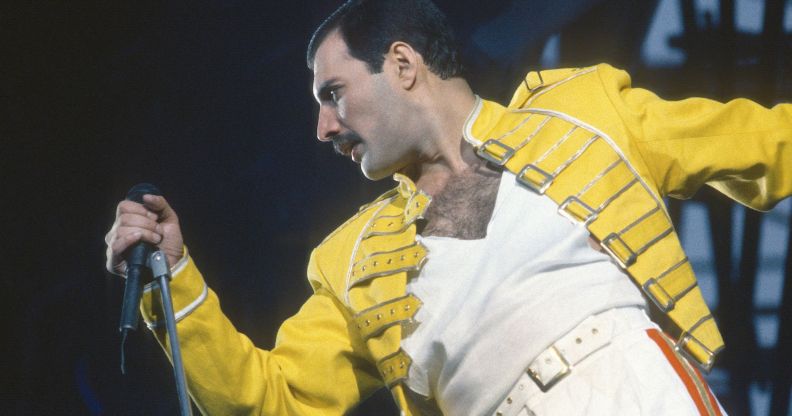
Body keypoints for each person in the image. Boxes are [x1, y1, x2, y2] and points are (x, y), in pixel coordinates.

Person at [104, 0, 792, 414]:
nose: (322, 128)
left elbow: (767, 145)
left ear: (402, 65)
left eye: (332, 94)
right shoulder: (349, 262)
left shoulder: (584, 115)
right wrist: (178, 282)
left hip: (639, 390)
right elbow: (269, 398)